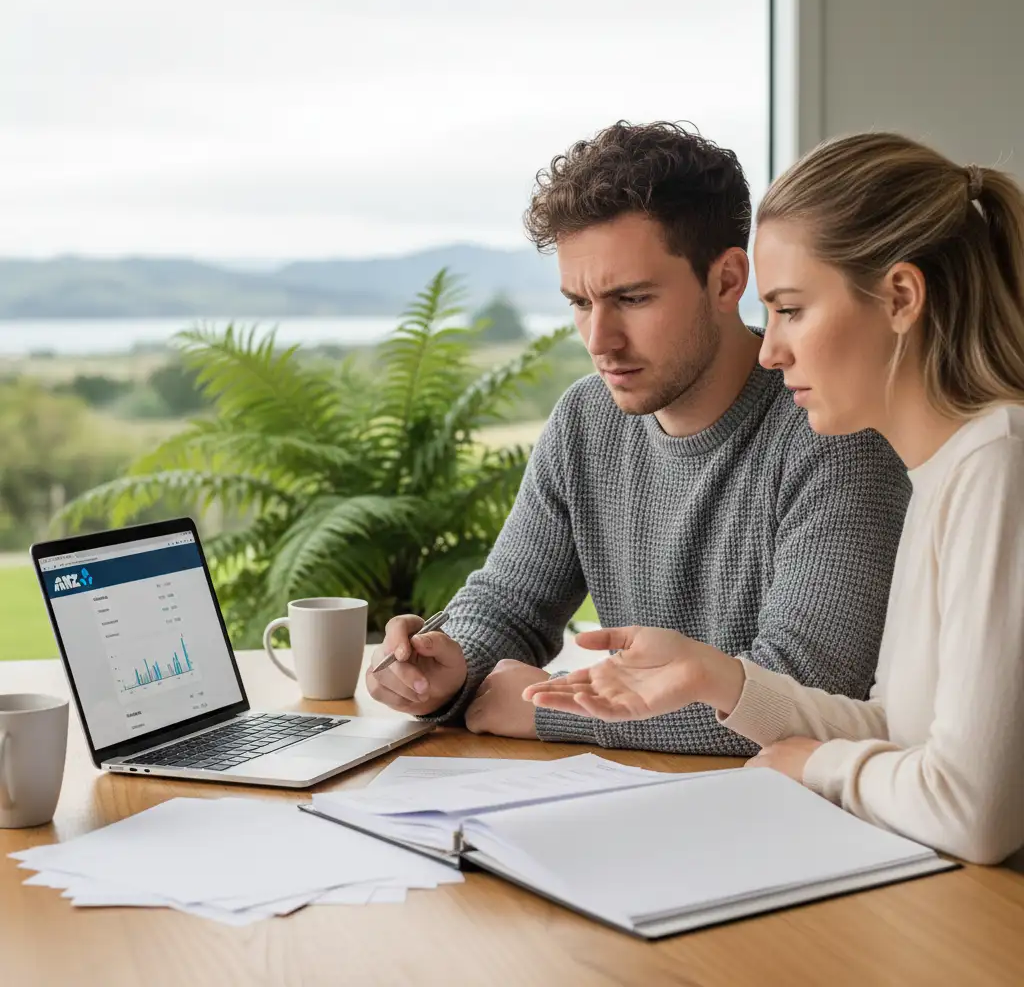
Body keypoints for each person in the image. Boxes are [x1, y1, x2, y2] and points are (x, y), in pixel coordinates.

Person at [525, 131, 1024, 864]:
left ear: (901, 299)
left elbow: (972, 810)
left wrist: (810, 765)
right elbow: (898, 730)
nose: (769, 349)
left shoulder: (999, 464)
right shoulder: (945, 472)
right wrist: (714, 678)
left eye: (790, 310)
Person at [366, 121, 910, 755]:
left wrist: (549, 710)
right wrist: (449, 667)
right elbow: (510, 603)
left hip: (784, 820)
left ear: (729, 281)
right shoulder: (586, 421)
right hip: (634, 802)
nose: (600, 341)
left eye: (632, 298)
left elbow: (802, 690)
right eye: (579, 302)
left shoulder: (833, 434)